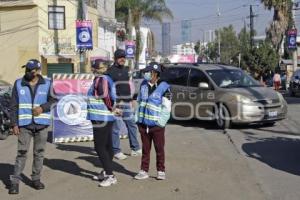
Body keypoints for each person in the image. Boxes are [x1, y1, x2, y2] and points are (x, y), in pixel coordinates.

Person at [9, 59, 56, 194]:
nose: (28, 72)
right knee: (21, 153)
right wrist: (14, 124)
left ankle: (36, 179)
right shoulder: (18, 83)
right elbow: (13, 105)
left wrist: (42, 108)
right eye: (27, 69)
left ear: (38, 71)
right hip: (24, 125)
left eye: (31, 70)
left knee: (39, 153)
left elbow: (54, 100)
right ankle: (15, 182)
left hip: (41, 125)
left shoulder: (47, 83)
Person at [134, 62, 172, 181]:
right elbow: (139, 102)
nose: (146, 74)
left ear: (155, 73)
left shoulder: (164, 87)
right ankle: (143, 170)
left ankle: (161, 170)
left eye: (148, 72)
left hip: (157, 125)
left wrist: (160, 123)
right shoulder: (143, 85)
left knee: (159, 149)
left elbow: (167, 107)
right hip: (143, 124)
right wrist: (137, 119)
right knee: (145, 149)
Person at [87, 60, 119, 187]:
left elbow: (105, 95)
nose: (105, 67)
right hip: (105, 117)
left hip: (100, 117)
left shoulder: (101, 79)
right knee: (108, 146)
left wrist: (112, 108)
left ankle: (110, 176)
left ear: (95, 69)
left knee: (99, 147)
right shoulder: (106, 78)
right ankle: (106, 172)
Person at [106, 49, 141, 160]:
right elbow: (108, 88)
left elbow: (128, 86)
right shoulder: (110, 71)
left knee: (131, 125)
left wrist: (130, 100)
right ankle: (116, 151)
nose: (123, 59)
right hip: (117, 104)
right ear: (116, 58)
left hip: (126, 103)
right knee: (116, 128)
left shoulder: (126, 70)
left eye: (124, 57)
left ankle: (135, 148)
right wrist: (113, 103)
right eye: (120, 57)